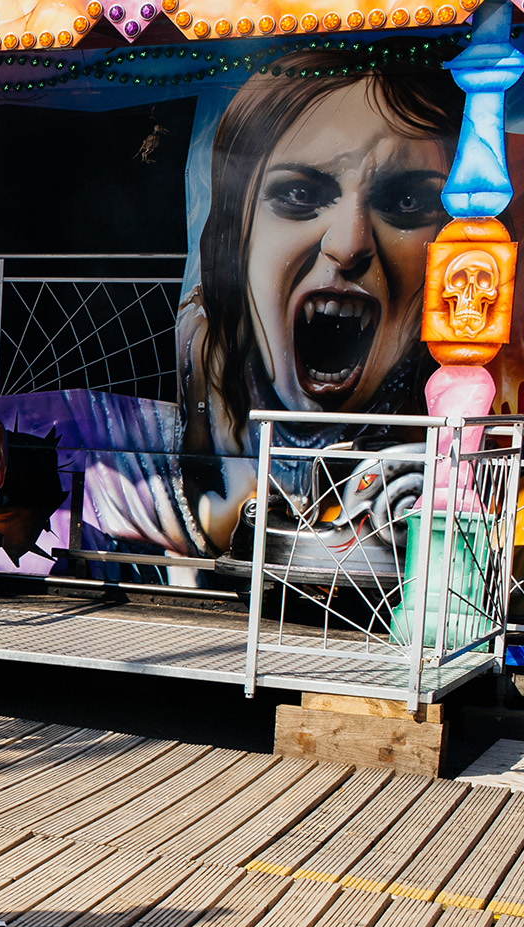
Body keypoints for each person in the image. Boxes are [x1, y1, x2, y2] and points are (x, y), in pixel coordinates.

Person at [174, 53, 459, 552]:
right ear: (235, 234)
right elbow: (212, 518)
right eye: (300, 194)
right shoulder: (207, 346)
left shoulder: (446, 392)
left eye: (407, 203)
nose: (349, 246)